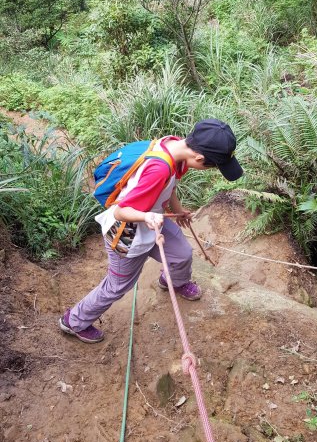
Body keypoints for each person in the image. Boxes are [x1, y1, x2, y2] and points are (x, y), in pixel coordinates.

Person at [59, 119, 243, 343]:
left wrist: (177, 210)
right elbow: (121, 212)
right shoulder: (159, 168)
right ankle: (74, 321)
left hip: (153, 217)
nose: (210, 170)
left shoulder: (175, 147)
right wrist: (147, 216)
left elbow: (170, 184)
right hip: (126, 233)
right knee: (117, 286)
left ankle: (174, 281)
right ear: (200, 159)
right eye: (213, 167)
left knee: (181, 254)